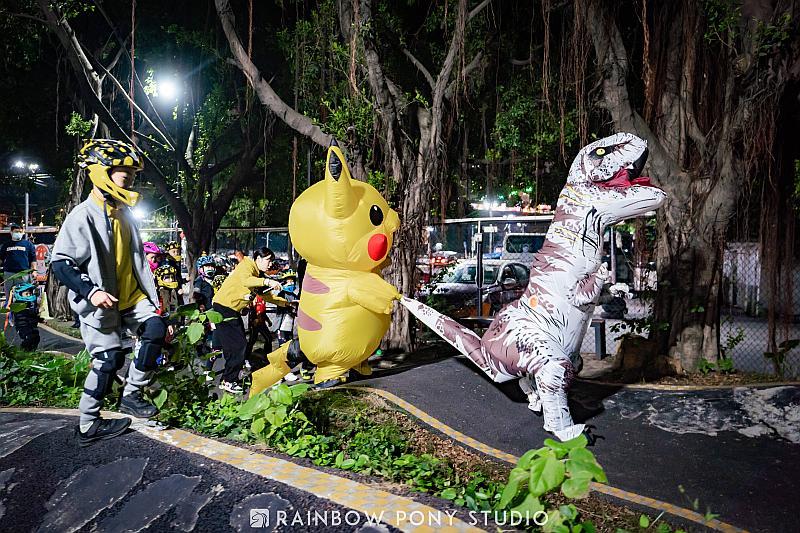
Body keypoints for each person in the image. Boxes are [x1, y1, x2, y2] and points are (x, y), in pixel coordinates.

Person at [51, 139, 167, 446]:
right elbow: (60, 263)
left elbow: (136, 259)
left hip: (131, 297)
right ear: (102, 173)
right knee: (108, 360)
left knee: (155, 329)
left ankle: (131, 395)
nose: (129, 180)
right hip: (100, 303)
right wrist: (90, 292)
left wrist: (153, 296)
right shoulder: (82, 215)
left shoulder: (124, 214)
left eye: (131, 175)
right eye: (123, 174)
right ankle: (88, 424)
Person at [211, 247, 286, 393]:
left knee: (235, 346)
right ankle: (229, 380)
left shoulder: (257, 274)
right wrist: (267, 281)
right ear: (258, 258)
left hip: (231, 310)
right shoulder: (247, 266)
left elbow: (267, 296)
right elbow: (246, 281)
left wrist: (286, 303)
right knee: (239, 345)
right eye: (268, 260)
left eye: (271, 260)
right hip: (224, 308)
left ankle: (227, 379)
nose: (270, 264)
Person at [1, 222, 36, 305]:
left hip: (23, 274)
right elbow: (1, 258)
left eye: (20, 232)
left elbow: (33, 259)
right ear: (11, 232)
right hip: (9, 274)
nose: (18, 233)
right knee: (9, 296)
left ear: (23, 232)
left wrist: (34, 271)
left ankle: (22, 311)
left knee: (23, 296)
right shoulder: (6, 245)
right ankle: (9, 311)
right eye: (16, 231)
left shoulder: (28, 244)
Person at [11, 282, 41, 351]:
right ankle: (23, 350)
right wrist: (37, 310)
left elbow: (32, 315)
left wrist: (40, 319)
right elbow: (26, 312)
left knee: (36, 338)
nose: (29, 295)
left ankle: (32, 351)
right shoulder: (18, 304)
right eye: (26, 294)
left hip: (31, 325)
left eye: (30, 293)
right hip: (23, 326)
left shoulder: (29, 304)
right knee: (29, 338)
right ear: (19, 294)